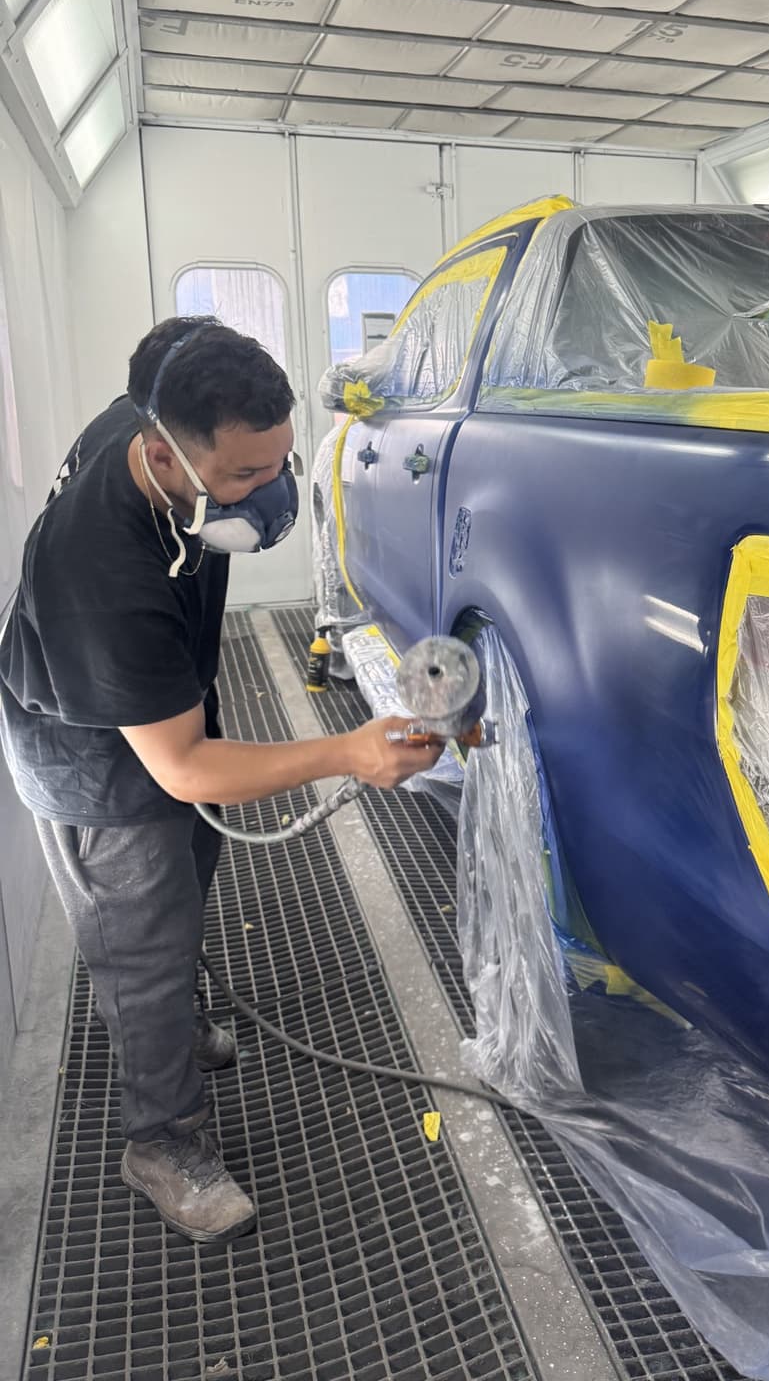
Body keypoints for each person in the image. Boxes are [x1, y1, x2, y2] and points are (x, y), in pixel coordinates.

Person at [0, 316, 442, 1245]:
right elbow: (184, 766)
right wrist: (350, 751)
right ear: (163, 457)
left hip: (161, 703)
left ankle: (171, 1019)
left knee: (191, 867)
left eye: (278, 464)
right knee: (142, 938)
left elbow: (178, 336)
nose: (270, 492)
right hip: (97, 762)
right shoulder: (102, 575)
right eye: (244, 478)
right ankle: (163, 1138)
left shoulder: (159, 394)